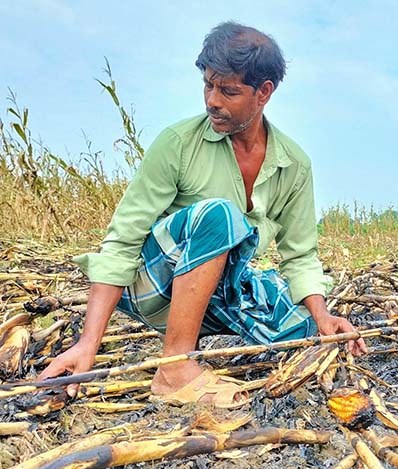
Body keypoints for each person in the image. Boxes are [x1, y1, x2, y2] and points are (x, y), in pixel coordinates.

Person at [38, 21, 366, 404]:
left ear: (264, 93)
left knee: (303, 332)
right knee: (221, 216)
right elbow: (123, 240)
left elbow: (300, 254)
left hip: (214, 293)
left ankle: (207, 338)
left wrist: (323, 318)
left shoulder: (293, 165)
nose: (212, 100)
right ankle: (174, 368)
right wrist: (87, 343)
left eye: (228, 90)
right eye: (208, 85)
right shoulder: (178, 143)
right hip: (153, 285)